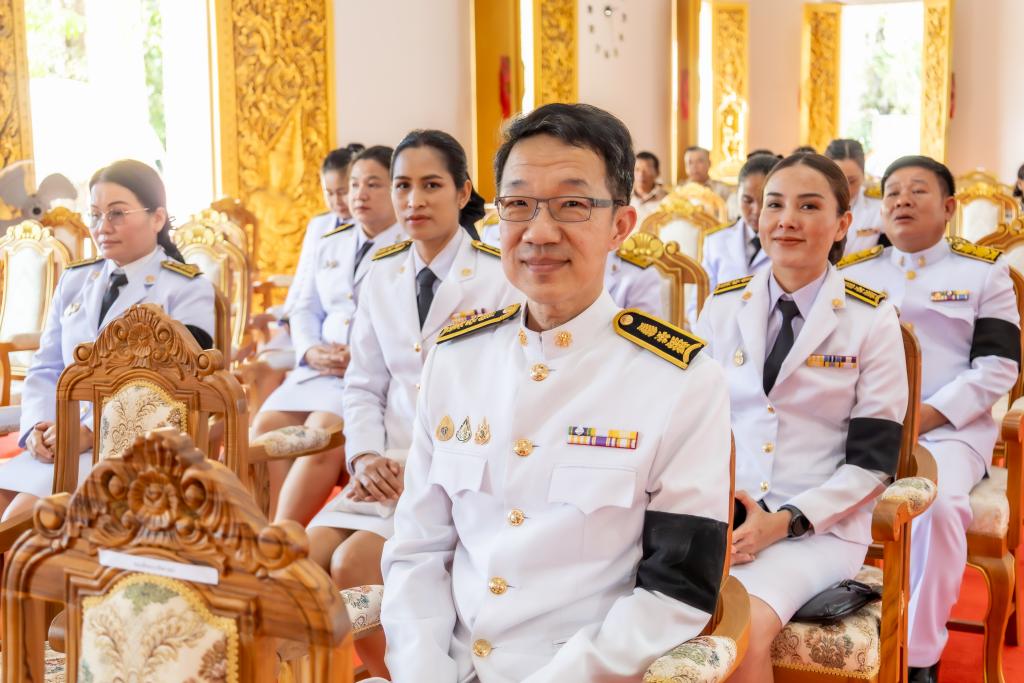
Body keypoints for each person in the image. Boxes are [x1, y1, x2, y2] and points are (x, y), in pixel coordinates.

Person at [376, 103, 732, 682]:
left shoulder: (681, 382)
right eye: (518, 205)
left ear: (621, 225)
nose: (539, 233)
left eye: (572, 205)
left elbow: (677, 591)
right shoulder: (455, 359)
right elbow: (418, 549)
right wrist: (422, 672)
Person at [306, 129, 516, 678]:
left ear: (463, 191)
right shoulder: (383, 270)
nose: (414, 200)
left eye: (431, 185)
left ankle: (399, 674)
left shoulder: (498, 274)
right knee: (303, 557)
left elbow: (506, 395)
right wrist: (364, 458)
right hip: (382, 465)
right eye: (402, 186)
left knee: (352, 562)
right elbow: (363, 383)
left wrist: (419, 466)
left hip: (455, 465)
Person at [695, 153, 907, 682]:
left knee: (739, 628)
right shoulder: (722, 306)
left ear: (842, 223)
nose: (786, 220)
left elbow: (874, 461)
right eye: (775, 205)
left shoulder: (870, 317)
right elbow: (691, 424)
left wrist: (786, 520)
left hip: (818, 529)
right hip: (722, 514)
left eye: (808, 207)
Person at [838, 155, 1020, 683]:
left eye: (917, 191)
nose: (901, 200)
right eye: (892, 191)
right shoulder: (853, 274)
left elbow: (998, 366)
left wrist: (923, 417)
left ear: (948, 207)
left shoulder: (983, 272)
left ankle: (918, 656)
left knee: (935, 507)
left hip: (948, 433)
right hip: (859, 429)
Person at [0, 159, 216, 519]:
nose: (102, 227)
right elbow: (47, 366)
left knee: (19, 520)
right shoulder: (75, 281)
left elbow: (177, 389)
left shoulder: (185, 287)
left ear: (157, 218)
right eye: (95, 214)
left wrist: (90, 432)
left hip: (134, 452)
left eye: (117, 214)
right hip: (60, 446)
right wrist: (38, 427)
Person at [253, 145, 405, 521]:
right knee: (263, 428)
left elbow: (410, 324)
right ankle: (262, 529)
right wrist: (309, 351)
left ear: (396, 189)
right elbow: (304, 307)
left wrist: (362, 357)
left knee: (321, 435)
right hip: (318, 369)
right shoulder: (331, 242)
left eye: (373, 184)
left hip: (365, 375)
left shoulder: (409, 246)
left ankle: (283, 533)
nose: (359, 194)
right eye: (354, 185)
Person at [702, 152, 777, 290]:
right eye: (747, 200)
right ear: (737, 195)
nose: (756, 210)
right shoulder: (715, 241)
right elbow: (701, 297)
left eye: (766, 201)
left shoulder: (793, 243)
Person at [825, 139, 884, 255]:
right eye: (837, 181)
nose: (845, 189)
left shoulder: (879, 206)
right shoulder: (810, 205)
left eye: (852, 181)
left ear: (863, 175)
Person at [630, 150, 667, 224]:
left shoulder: (666, 199)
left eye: (646, 169)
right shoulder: (623, 199)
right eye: (637, 169)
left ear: (657, 172)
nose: (641, 174)